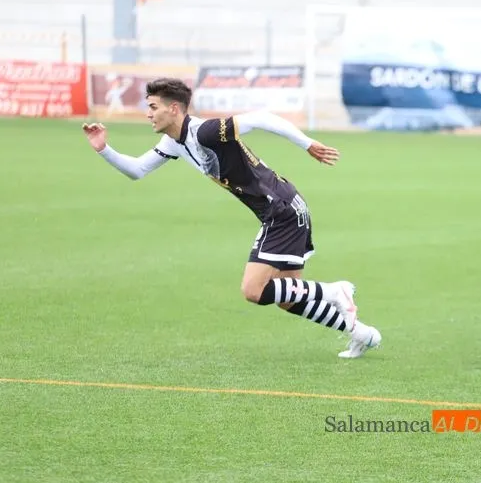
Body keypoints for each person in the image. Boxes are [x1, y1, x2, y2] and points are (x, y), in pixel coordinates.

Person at [81, 78, 381, 359]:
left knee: (253, 290)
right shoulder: (174, 142)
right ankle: (362, 333)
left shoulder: (206, 132)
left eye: (153, 107)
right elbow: (137, 170)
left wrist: (306, 143)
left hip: (280, 210)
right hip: (288, 207)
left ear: (173, 109)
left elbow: (262, 118)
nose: (148, 114)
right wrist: (103, 149)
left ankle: (335, 291)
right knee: (288, 298)